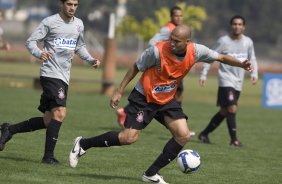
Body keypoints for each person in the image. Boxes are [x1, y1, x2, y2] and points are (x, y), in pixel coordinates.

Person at [69, 25, 253, 184]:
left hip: (166, 100)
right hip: (144, 97)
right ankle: (83, 143)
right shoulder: (156, 51)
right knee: (129, 138)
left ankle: (151, 174)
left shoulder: (196, 51)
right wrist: (118, 91)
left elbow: (221, 57)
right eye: (171, 39)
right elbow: (135, 67)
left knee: (183, 135)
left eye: (177, 41)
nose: (172, 43)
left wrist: (242, 65)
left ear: (187, 42)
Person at [0, 0, 100, 164]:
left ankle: (9, 129)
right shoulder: (49, 22)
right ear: (62, 4)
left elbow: (79, 46)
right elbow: (30, 42)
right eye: (69, 4)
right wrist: (39, 53)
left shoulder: (79, 25)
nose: (72, 8)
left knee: (49, 120)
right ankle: (48, 157)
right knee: (60, 113)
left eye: (75, 5)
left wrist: (90, 59)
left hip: (63, 77)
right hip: (50, 74)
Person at [116, 6, 196, 136]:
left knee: (178, 92)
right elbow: (153, 41)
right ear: (171, 17)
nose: (179, 18)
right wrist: (160, 56)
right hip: (164, 70)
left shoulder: (181, 30)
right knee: (164, 94)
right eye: (176, 16)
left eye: (181, 16)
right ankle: (126, 111)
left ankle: (178, 123)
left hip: (175, 69)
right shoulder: (167, 30)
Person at [198, 15, 258, 147]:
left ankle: (204, 133)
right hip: (226, 80)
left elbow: (252, 58)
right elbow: (210, 56)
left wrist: (254, 73)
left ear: (244, 26)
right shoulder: (223, 41)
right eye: (235, 24)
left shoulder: (248, 42)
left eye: (240, 24)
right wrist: (203, 75)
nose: (237, 26)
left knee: (224, 112)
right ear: (231, 26)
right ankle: (234, 140)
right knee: (232, 108)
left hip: (238, 82)